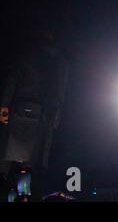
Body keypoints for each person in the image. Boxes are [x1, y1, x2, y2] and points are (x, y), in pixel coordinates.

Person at [0, 28, 70, 201]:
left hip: (20, 110)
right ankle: (23, 196)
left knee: (6, 157)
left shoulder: (28, 56)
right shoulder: (61, 63)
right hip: (43, 116)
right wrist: (54, 120)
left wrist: (4, 107)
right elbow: (60, 94)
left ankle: (5, 192)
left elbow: (12, 81)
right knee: (28, 165)